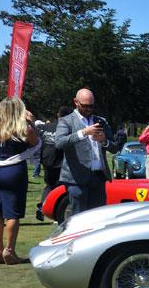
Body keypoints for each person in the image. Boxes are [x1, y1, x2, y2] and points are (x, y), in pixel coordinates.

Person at [0, 98, 37, 264]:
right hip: (15, 171)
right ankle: (9, 250)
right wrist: (32, 122)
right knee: (13, 213)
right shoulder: (24, 129)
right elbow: (35, 142)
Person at [54, 88, 119, 219]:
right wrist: (83, 132)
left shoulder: (101, 121)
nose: (89, 109)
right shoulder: (66, 121)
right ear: (76, 102)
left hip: (98, 177)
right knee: (79, 219)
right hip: (76, 179)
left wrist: (104, 141)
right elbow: (59, 143)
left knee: (98, 219)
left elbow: (115, 148)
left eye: (91, 106)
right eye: (85, 106)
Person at [34, 105, 71, 221]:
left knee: (49, 185)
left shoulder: (45, 127)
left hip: (46, 160)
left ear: (58, 115)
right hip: (60, 161)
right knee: (61, 187)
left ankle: (42, 207)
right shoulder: (67, 127)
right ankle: (57, 211)